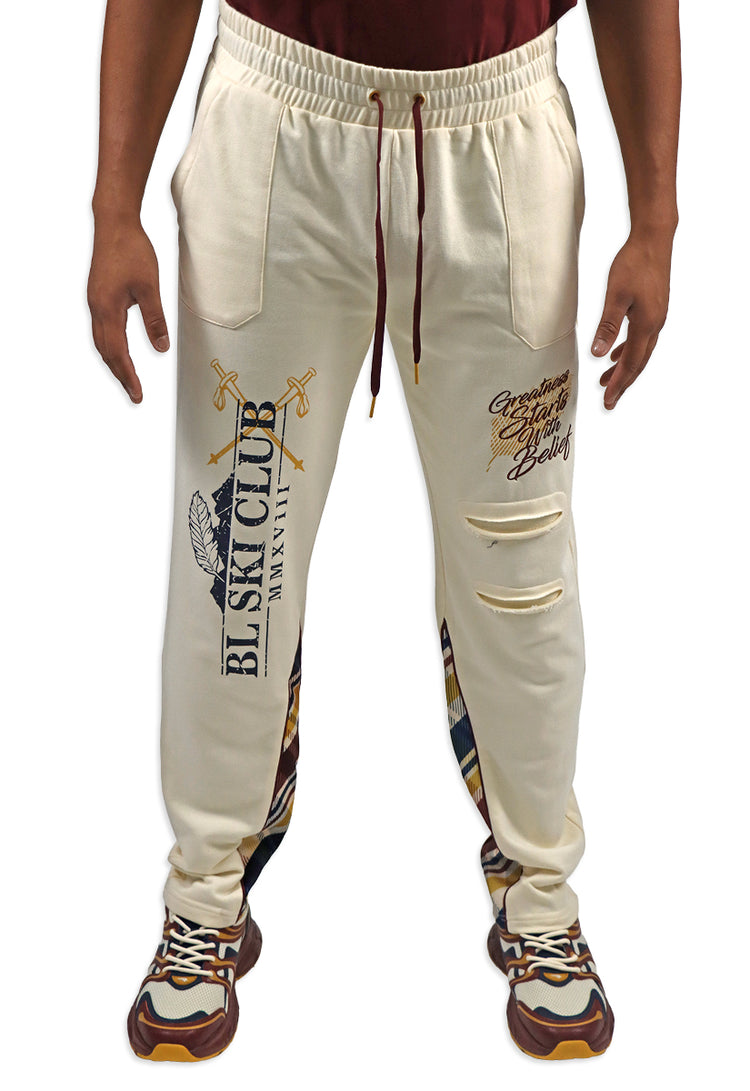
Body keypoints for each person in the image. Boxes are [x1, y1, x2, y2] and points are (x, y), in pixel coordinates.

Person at [88, 0, 680, 1064]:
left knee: (522, 564)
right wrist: (112, 204)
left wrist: (656, 220)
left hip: (499, 138)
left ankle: (541, 895)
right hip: (274, 122)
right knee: (237, 556)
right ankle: (204, 897)